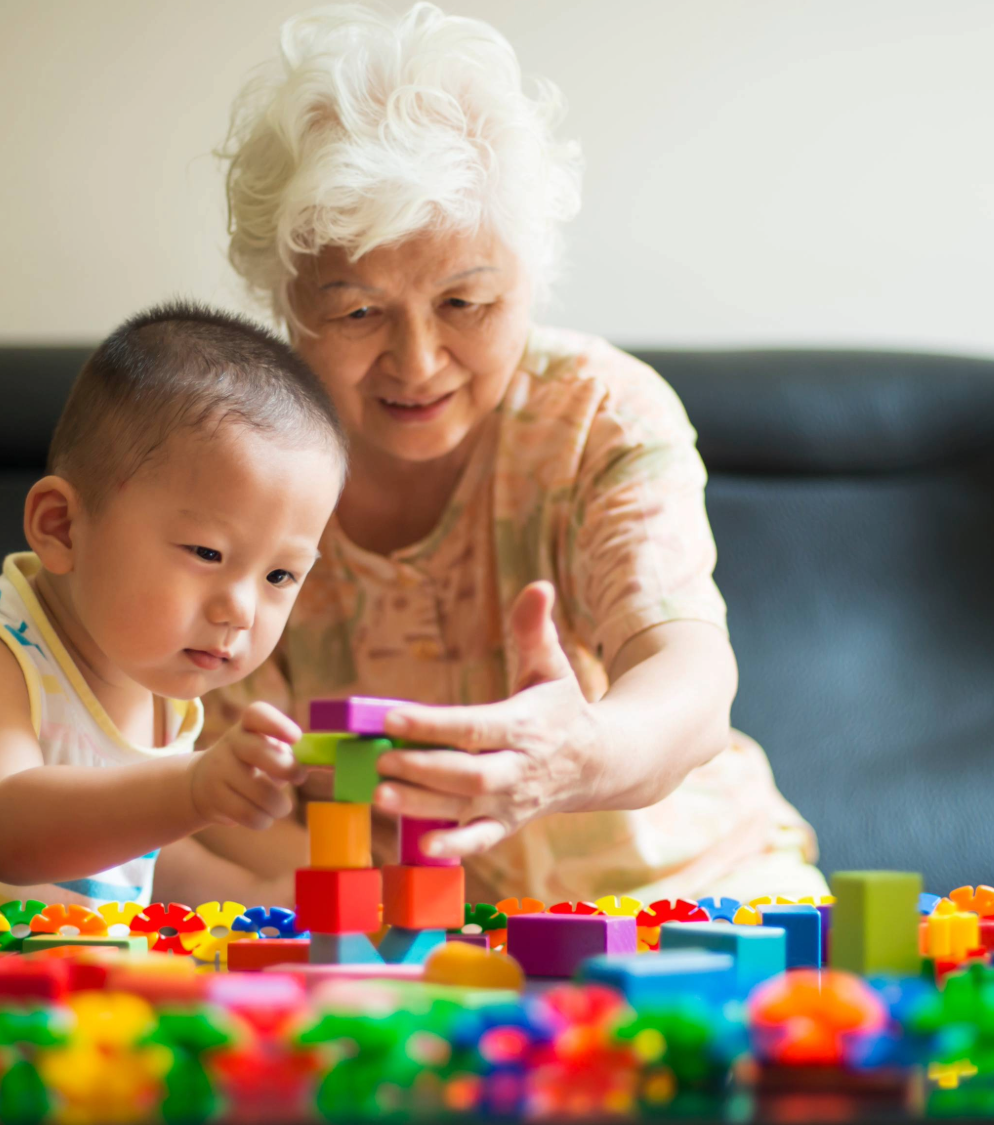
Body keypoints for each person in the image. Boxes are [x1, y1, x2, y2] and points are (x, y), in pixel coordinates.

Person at [194, 3, 829, 904]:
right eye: (357, 311)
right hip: (403, 943)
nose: (416, 363)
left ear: (530, 278)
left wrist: (583, 754)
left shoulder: (601, 414)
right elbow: (203, 795)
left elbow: (687, 671)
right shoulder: (230, 462)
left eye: (467, 303)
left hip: (695, 899)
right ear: (284, 300)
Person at [0, 301, 347, 908]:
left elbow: (131, 860)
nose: (241, 609)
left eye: (281, 574)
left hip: (44, 999)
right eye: (207, 553)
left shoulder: (160, 691)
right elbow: (5, 830)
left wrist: (271, 893)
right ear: (61, 528)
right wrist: (192, 790)